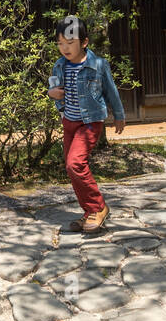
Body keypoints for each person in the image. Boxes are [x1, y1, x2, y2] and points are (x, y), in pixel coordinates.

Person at [47, 15, 127, 233]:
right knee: (72, 169)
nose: (64, 48)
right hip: (69, 122)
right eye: (60, 43)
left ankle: (98, 207)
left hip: (90, 122)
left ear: (84, 42)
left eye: (70, 43)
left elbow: (111, 91)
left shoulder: (98, 65)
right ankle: (89, 211)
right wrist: (51, 94)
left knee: (75, 164)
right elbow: (54, 89)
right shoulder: (59, 65)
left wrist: (119, 115)